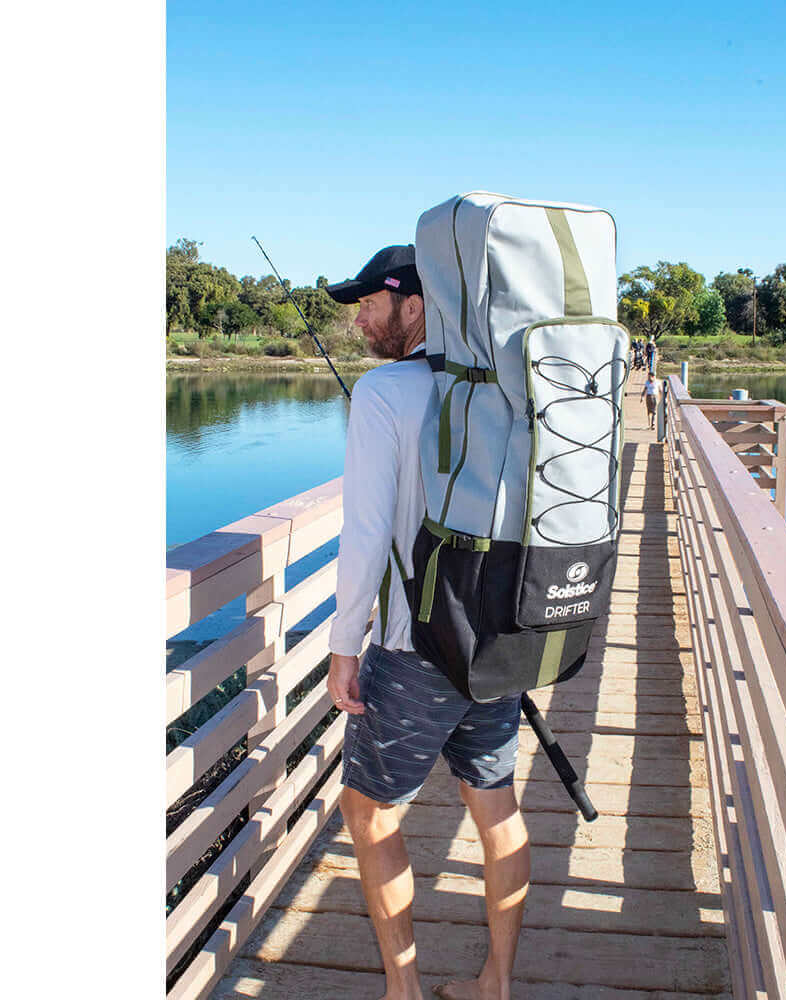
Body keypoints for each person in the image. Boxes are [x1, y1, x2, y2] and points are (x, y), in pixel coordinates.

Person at [324, 244, 530, 1000]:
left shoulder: (386, 392)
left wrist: (346, 646)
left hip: (415, 651)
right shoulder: (507, 387)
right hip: (501, 642)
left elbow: (366, 533)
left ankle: (403, 992)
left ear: (415, 306)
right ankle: (496, 986)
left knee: (369, 812)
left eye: (369, 304)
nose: (360, 320)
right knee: (496, 804)